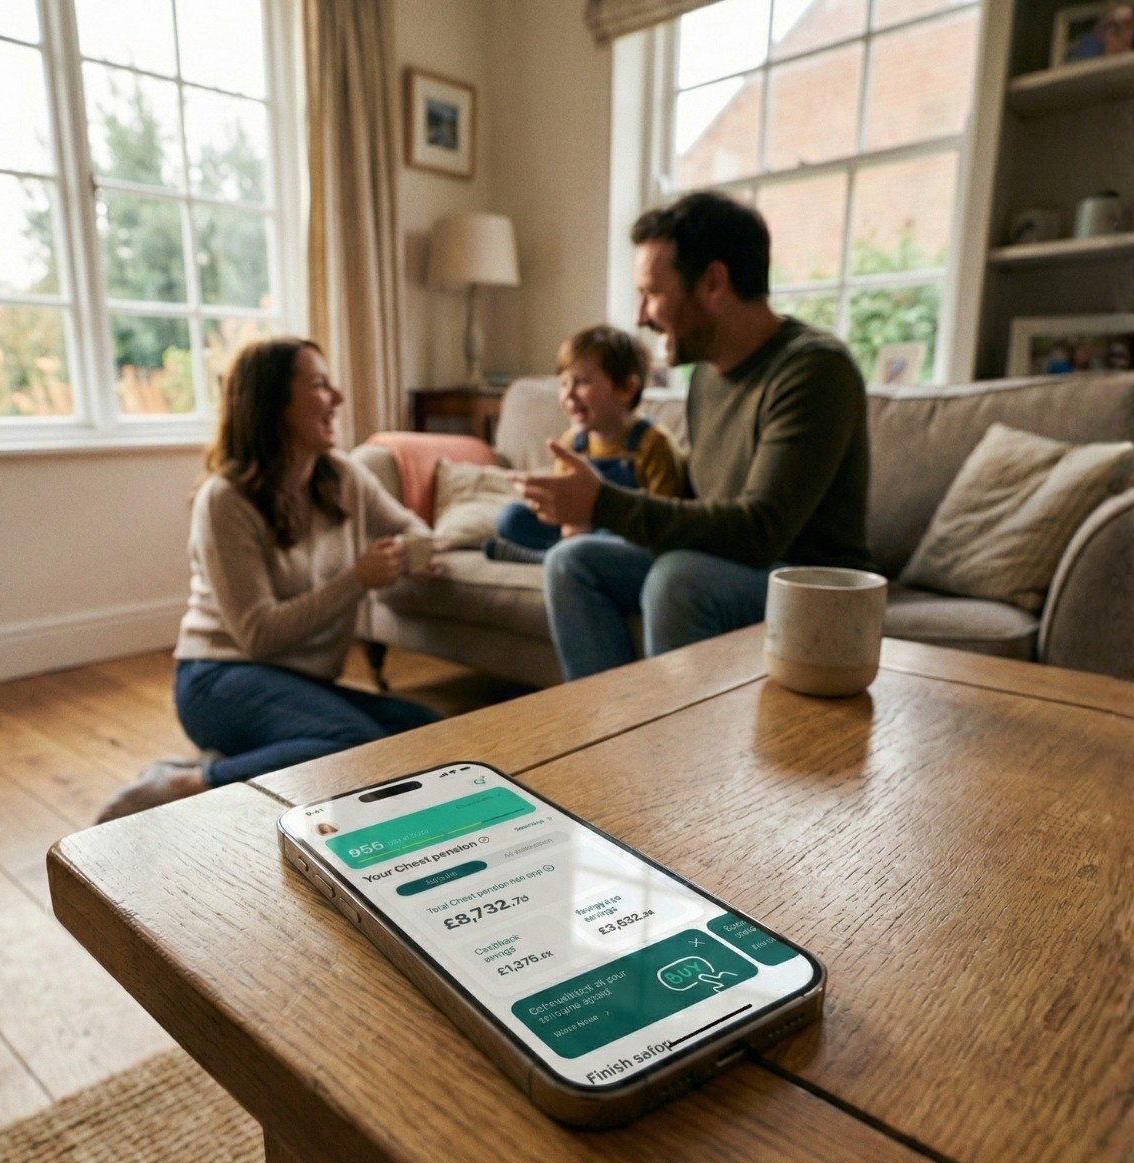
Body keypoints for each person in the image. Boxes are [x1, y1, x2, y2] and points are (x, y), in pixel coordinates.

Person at [517, 192, 869, 681]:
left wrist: (603, 504)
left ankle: (670, 751)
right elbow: (703, 504)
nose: (640, 316)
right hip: (731, 563)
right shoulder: (708, 374)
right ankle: (613, 731)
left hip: (808, 582)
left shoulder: (813, 370)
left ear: (714, 284)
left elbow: (759, 530)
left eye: (653, 293)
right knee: (571, 562)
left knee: (678, 579)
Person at [98, 339, 440, 822]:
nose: (338, 397)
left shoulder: (343, 476)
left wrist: (412, 555)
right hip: (218, 680)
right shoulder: (226, 499)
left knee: (428, 730)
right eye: (320, 385)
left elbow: (415, 530)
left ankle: (240, 767)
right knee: (352, 745)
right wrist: (358, 578)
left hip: (303, 682)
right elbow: (259, 635)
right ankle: (184, 784)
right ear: (271, 404)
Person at [484, 324, 685, 564]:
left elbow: (663, 521)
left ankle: (549, 557)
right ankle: (559, 554)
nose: (568, 396)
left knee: (614, 540)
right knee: (511, 518)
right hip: (577, 532)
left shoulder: (653, 444)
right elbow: (561, 506)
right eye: (563, 383)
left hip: (625, 536)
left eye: (580, 382)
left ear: (625, 388)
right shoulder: (572, 444)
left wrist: (586, 527)